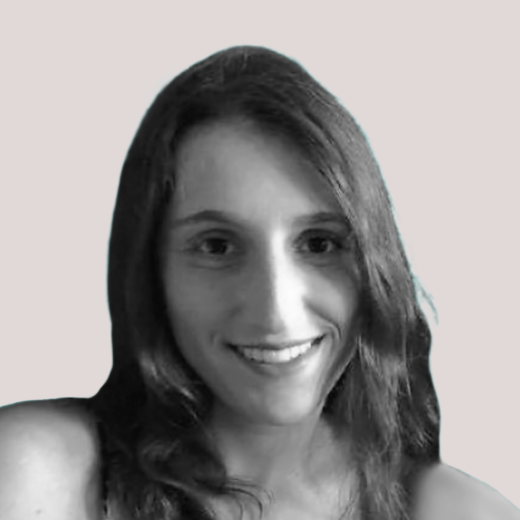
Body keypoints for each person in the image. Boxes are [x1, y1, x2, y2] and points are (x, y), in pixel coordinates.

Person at [0, 46, 518, 520]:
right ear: (152, 273)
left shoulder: (460, 511)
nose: (275, 311)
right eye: (217, 246)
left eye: (319, 243)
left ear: (373, 264)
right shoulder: (37, 474)